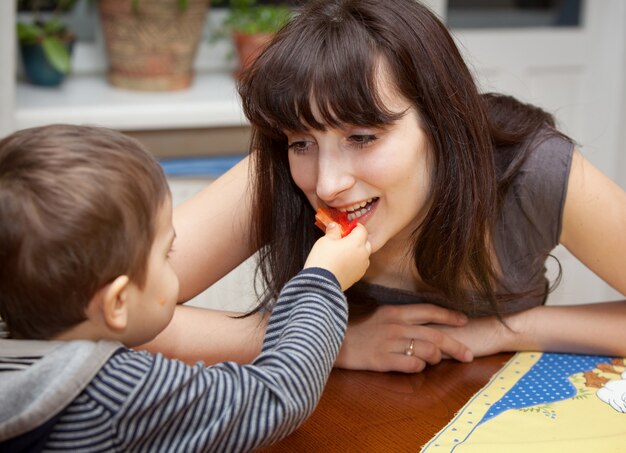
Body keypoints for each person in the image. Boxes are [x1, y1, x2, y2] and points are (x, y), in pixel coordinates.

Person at [151, 0, 626, 374]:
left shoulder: (534, 170)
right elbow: (100, 311)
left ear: (443, 122)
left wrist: (512, 329)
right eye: (302, 142)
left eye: (362, 137)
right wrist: (328, 339)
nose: (328, 184)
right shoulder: (278, 172)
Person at [0, 124, 371, 451]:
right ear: (117, 304)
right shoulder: (116, 394)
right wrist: (322, 279)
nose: (175, 267)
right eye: (166, 253)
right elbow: (277, 397)